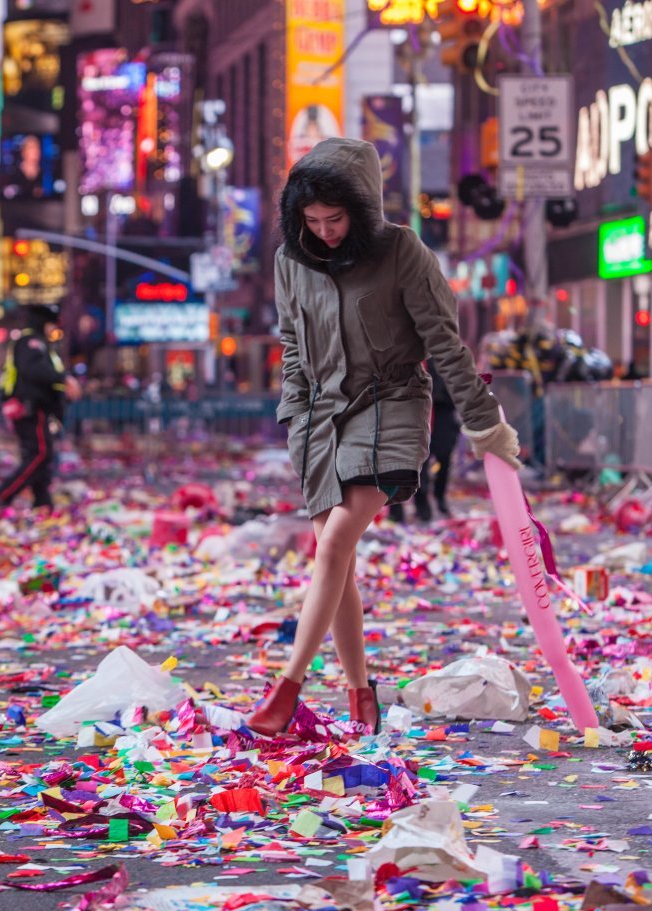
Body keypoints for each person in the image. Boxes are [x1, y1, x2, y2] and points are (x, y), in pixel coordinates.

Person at [248, 138, 521, 737]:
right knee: (335, 561)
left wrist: (484, 421)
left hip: (393, 404)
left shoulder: (402, 251)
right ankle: (359, 694)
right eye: (310, 221)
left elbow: (445, 344)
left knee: (336, 540)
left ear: (363, 207)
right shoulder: (290, 260)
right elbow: (293, 348)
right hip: (321, 421)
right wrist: (294, 416)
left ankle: (287, 688)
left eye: (335, 219)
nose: (322, 232)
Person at [0, 304, 77, 510]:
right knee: (40, 454)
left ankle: (42, 502)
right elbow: (35, 371)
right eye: (51, 325)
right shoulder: (31, 342)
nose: (53, 329)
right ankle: (3, 494)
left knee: (41, 458)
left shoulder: (39, 344)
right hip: (30, 408)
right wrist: (64, 380)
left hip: (36, 408)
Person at [390, 360, 459, 522]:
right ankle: (398, 510)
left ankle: (431, 503)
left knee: (438, 459)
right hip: (407, 417)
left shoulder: (440, 355)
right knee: (400, 463)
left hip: (438, 417)